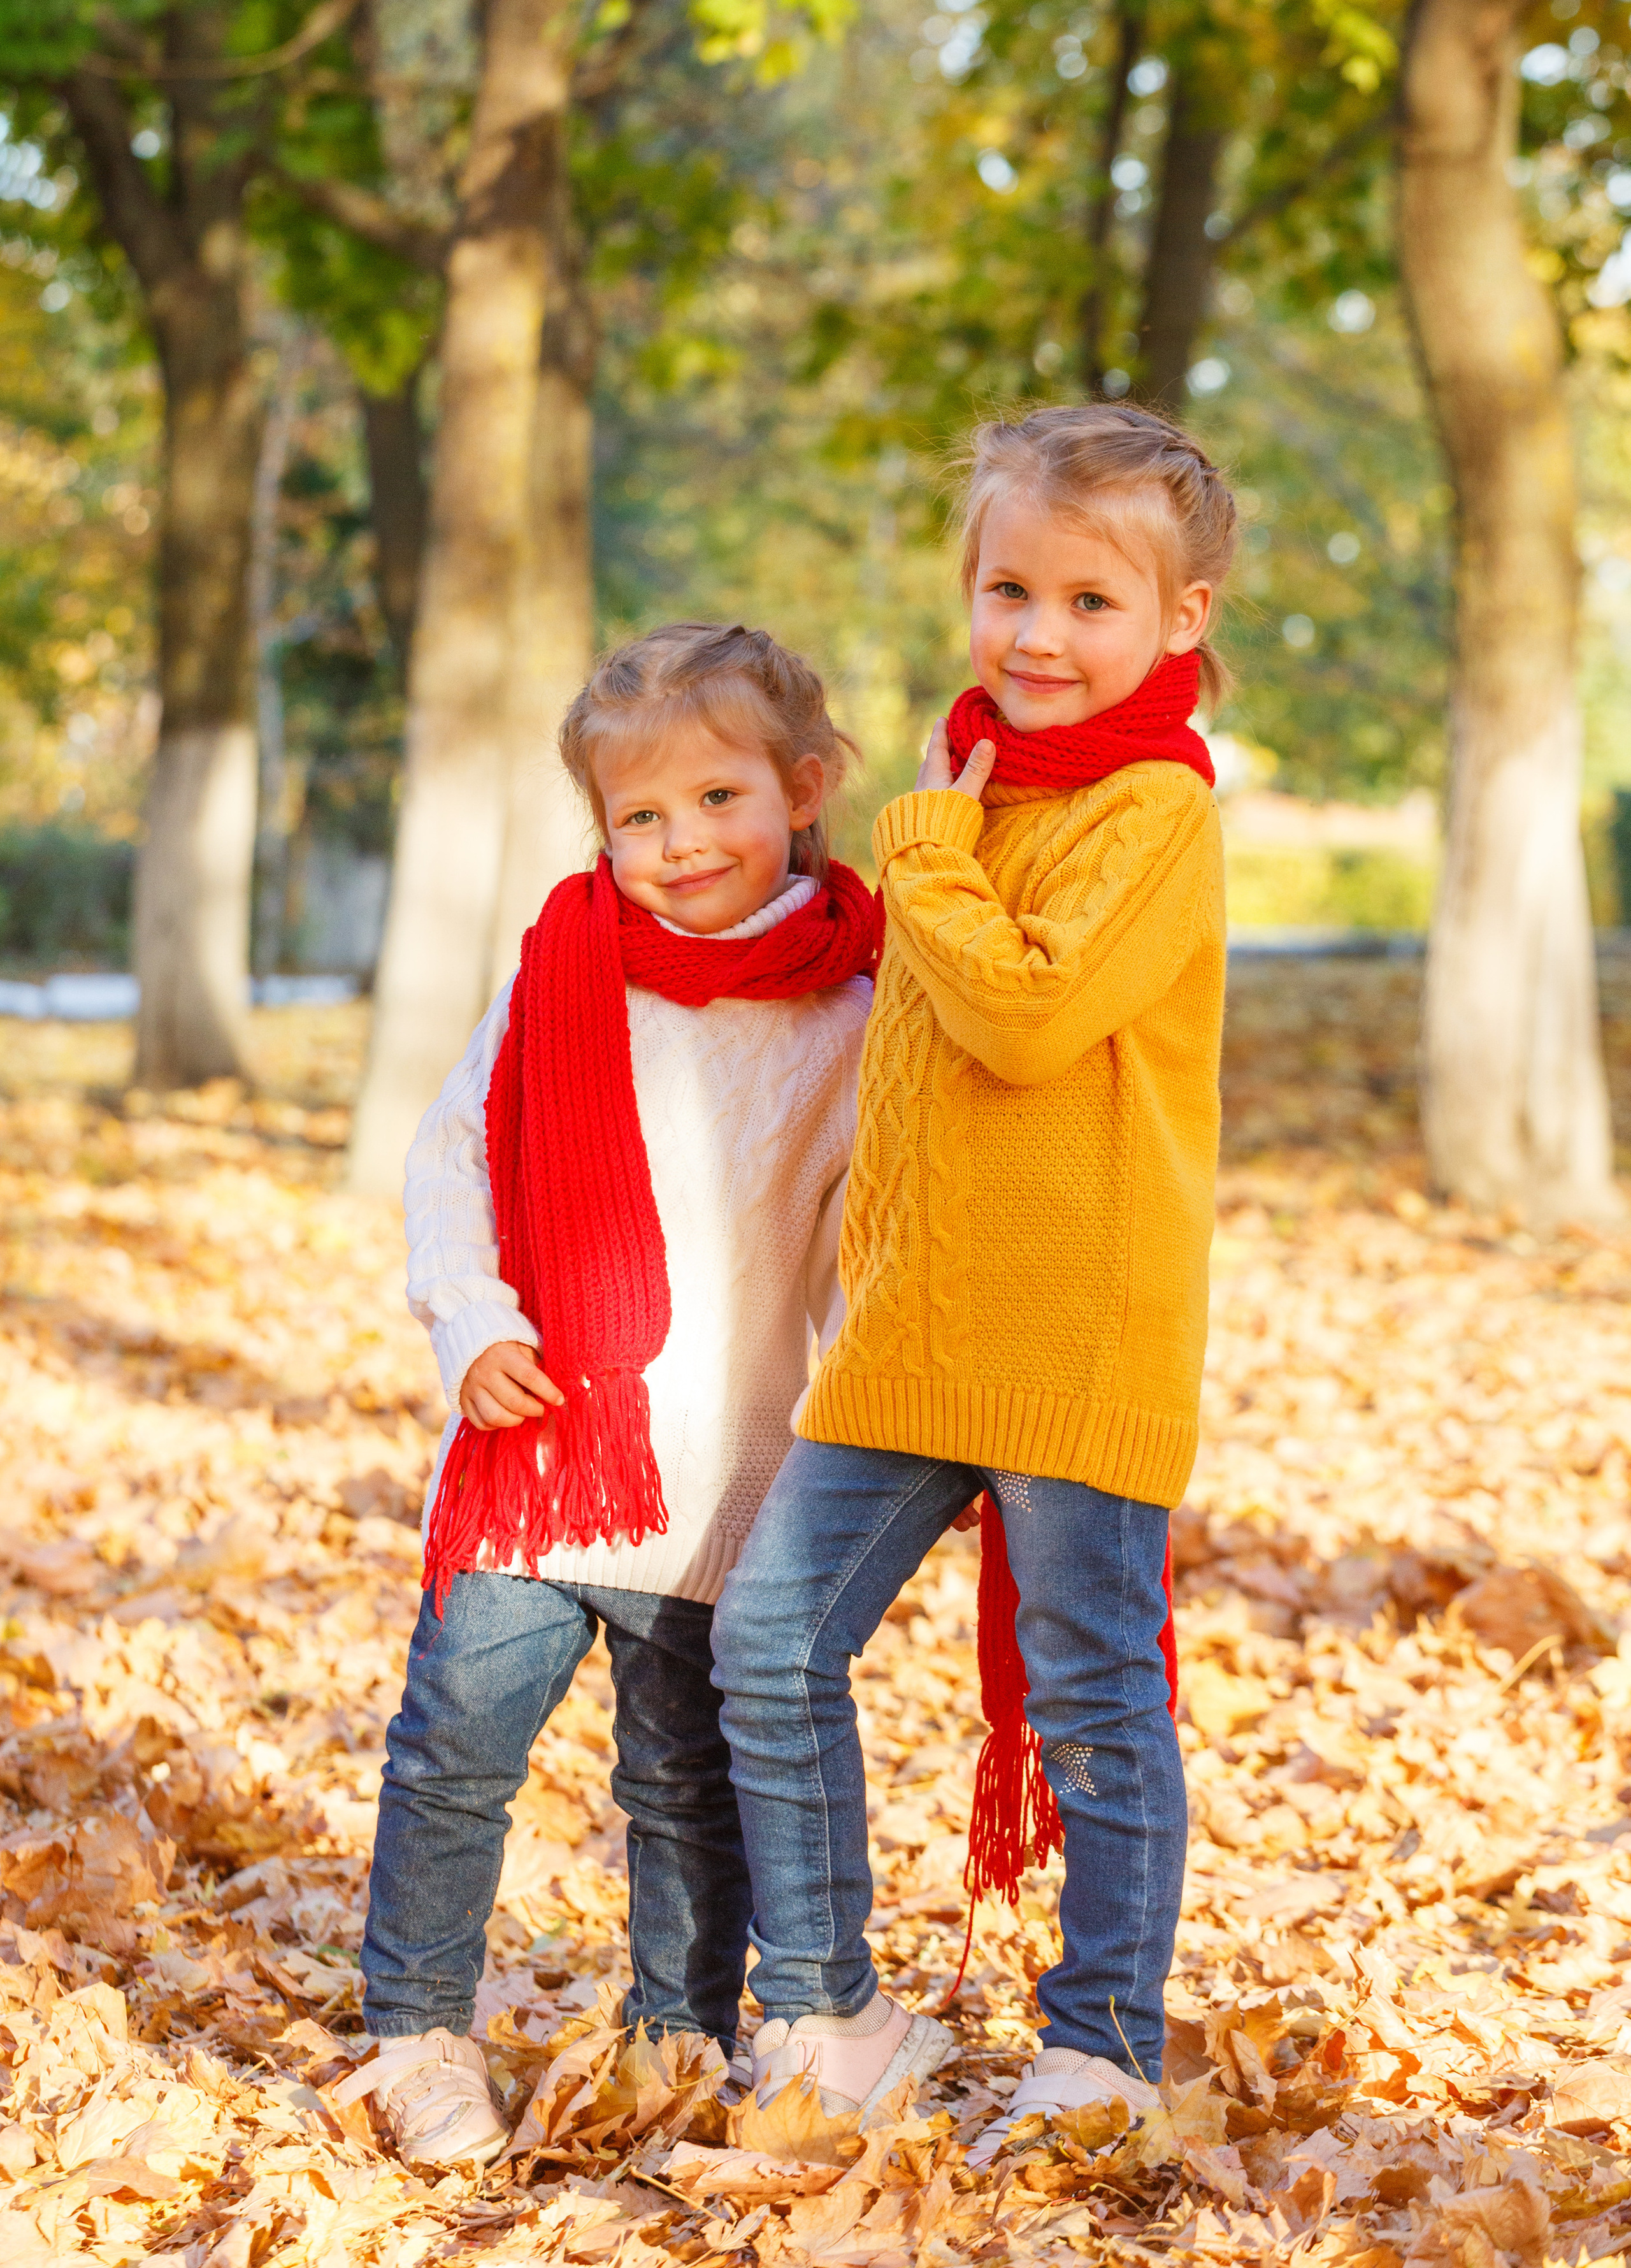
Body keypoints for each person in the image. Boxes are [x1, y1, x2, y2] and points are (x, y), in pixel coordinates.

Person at [709, 403, 1233, 2165]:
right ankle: (837, 2010)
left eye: (1092, 602)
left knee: (1096, 1698)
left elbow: (1023, 1015)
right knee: (773, 1640)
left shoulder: (1154, 812)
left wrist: (924, 852)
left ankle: (1099, 2048)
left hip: (1077, 1327)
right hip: (915, 1330)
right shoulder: (974, 785)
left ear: (1179, 620)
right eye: (1008, 589)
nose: (1037, 636)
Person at [336, 624, 880, 2169]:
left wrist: (876, 1426)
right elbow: (451, 1155)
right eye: (637, 817)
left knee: (681, 1782)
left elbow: (860, 1238)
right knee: (454, 1749)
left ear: (804, 787)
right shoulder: (567, 963)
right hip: (536, 1447)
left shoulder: (849, 1010)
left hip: (725, 1466)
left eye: (716, 799)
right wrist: (472, 1324)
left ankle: (676, 2037)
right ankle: (418, 2033)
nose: (678, 842)